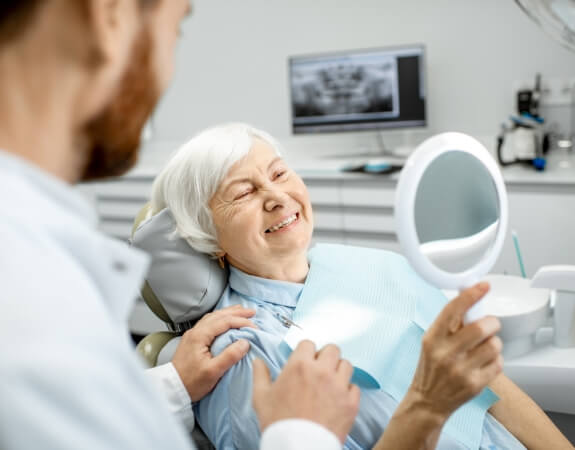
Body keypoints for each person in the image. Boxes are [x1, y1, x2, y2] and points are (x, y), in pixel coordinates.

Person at [150, 122, 573, 450]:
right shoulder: (241, 354)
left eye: (279, 172)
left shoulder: (369, 264)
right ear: (208, 236)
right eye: (243, 192)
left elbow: (489, 384)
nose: (278, 195)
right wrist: (427, 405)